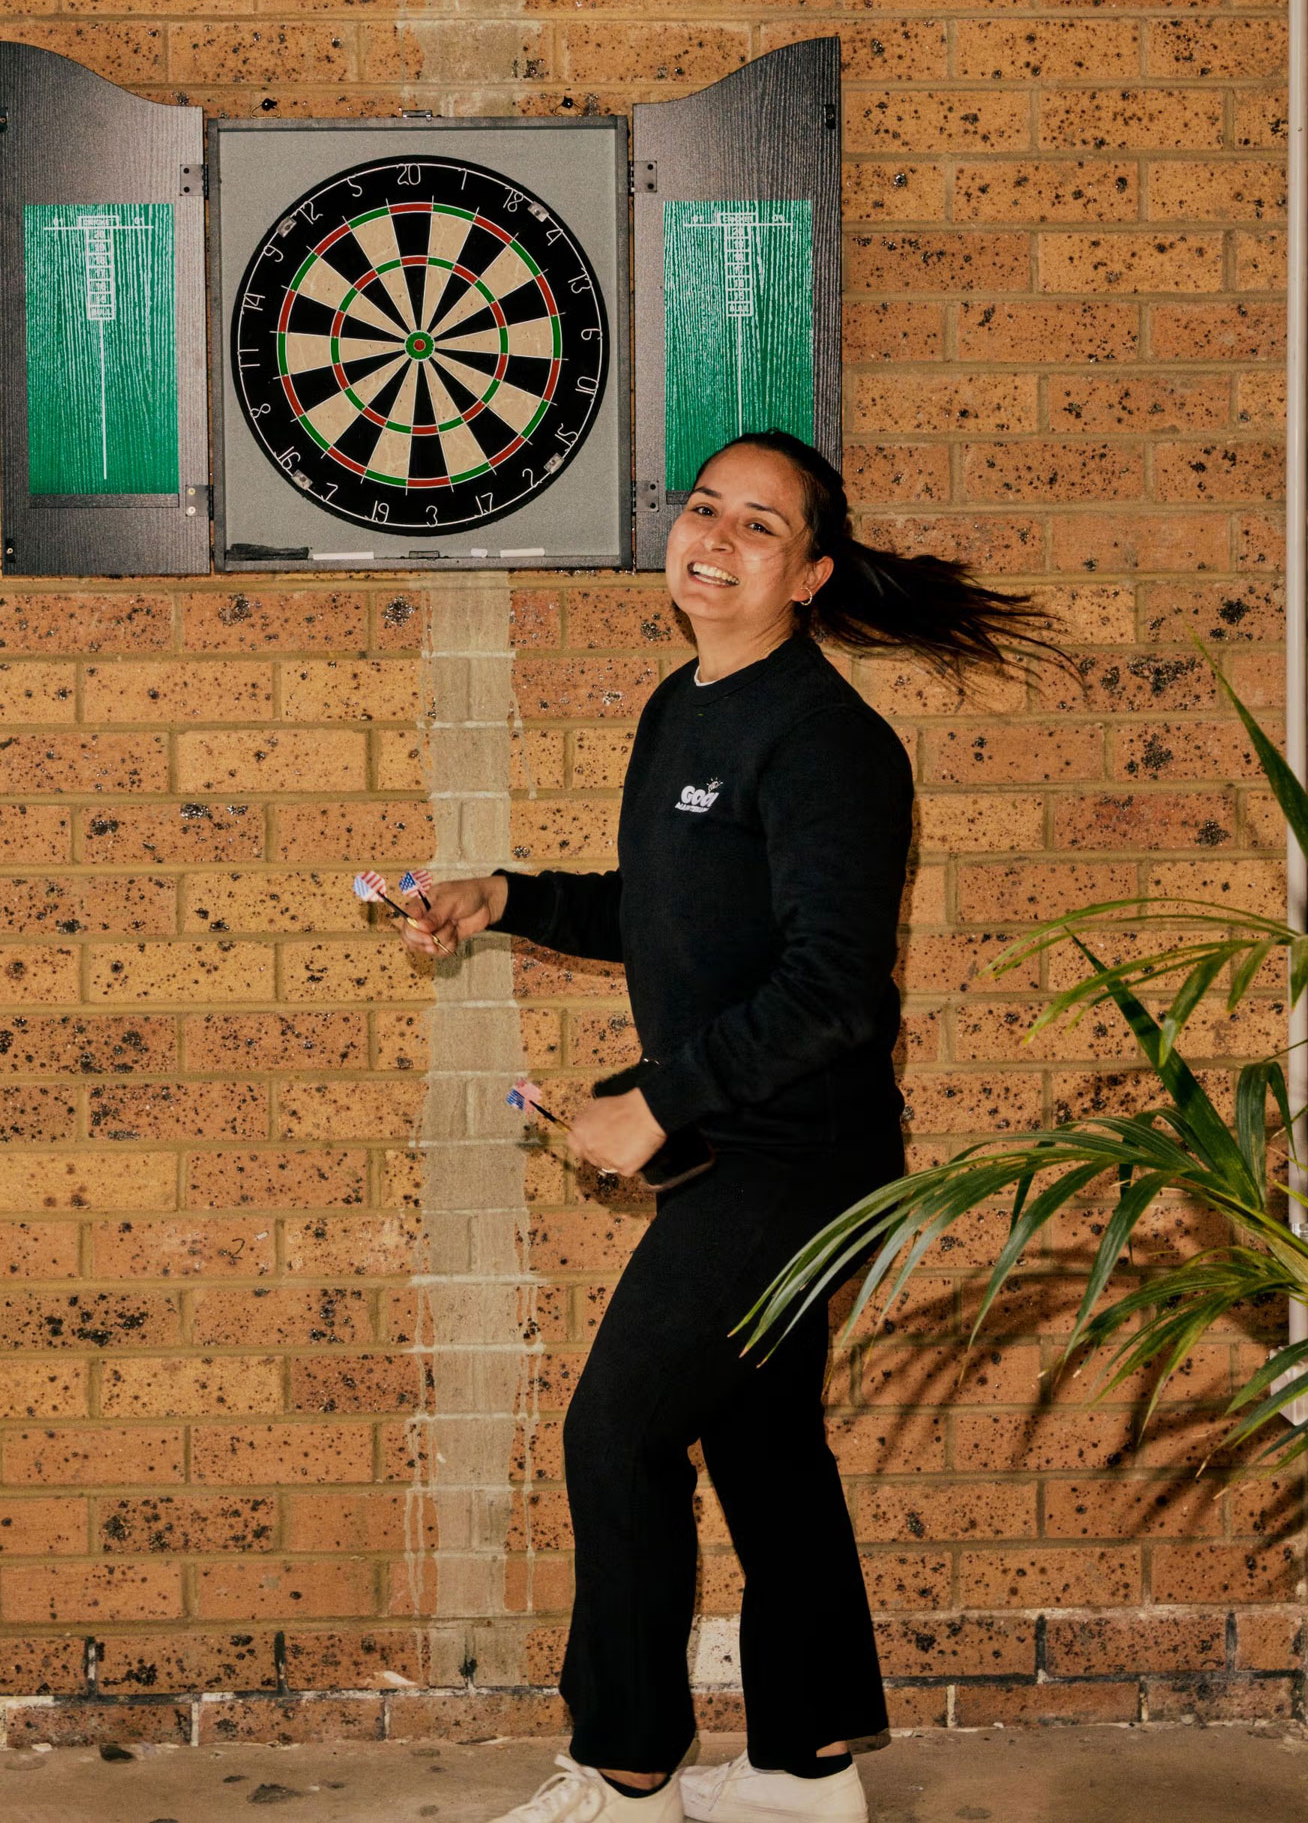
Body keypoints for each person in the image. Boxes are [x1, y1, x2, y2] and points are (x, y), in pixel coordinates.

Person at [398, 433, 1062, 1823]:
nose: (715, 535)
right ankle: (803, 1772)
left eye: (760, 524)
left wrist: (654, 1101)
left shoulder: (830, 744)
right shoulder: (682, 705)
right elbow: (660, 907)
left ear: (810, 575)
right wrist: (501, 896)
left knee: (617, 1432)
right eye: (706, 507)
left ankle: (627, 1771)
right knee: (763, 1444)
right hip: (735, 1145)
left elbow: (835, 990)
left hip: (800, 1163)